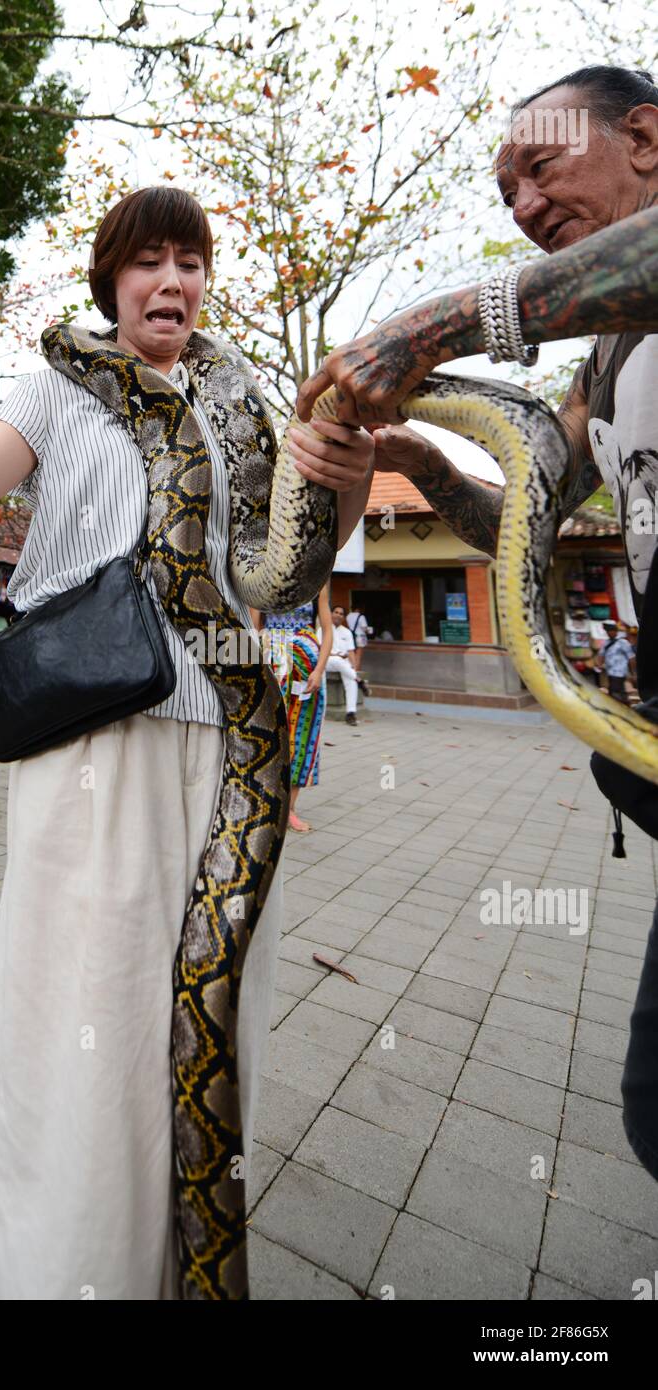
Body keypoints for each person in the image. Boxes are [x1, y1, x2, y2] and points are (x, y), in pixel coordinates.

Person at [0, 186, 377, 1299]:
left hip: (231, 755)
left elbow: (285, 567)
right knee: (84, 1025)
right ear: (111, 280)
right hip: (93, 745)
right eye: (150, 260)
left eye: (191, 262)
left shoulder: (242, 394)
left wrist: (341, 485)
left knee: (211, 1029)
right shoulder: (61, 383)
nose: (174, 281)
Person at [296, 65, 658, 1183]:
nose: (522, 206)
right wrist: (414, 457)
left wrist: (425, 330)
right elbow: (526, 520)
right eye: (504, 193)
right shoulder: (608, 362)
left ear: (646, 137)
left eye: (540, 167)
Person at [249, 586, 334, 833]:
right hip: (272, 659)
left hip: (307, 665)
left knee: (302, 734)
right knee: (267, 732)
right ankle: (265, 801)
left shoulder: (317, 580)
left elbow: (327, 630)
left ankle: (290, 809)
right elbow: (253, 628)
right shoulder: (262, 576)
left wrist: (319, 670)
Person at [329, 603, 361, 725]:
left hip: (343, 663)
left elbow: (351, 652)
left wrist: (354, 668)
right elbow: (320, 650)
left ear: (343, 617)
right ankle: (360, 681)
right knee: (338, 660)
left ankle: (351, 713)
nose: (338, 615)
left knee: (351, 680)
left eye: (341, 614)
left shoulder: (347, 632)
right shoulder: (323, 629)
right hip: (327, 661)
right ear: (332, 614)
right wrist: (336, 655)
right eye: (336, 612)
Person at [599, 620, 637, 702]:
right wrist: (599, 665)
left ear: (615, 632)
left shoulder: (623, 643)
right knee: (618, 692)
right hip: (610, 672)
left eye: (611, 631)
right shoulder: (606, 643)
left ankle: (622, 706)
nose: (609, 633)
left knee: (615, 693)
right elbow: (601, 655)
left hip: (619, 672)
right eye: (607, 631)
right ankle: (625, 704)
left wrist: (633, 672)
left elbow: (631, 658)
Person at [346, 605, 372, 689]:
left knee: (352, 654)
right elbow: (364, 628)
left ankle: (354, 672)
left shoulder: (348, 616)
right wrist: (369, 630)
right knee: (358, 656)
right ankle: (356, 674)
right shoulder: (361, 616)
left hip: (351, 637)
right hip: (360, 637)